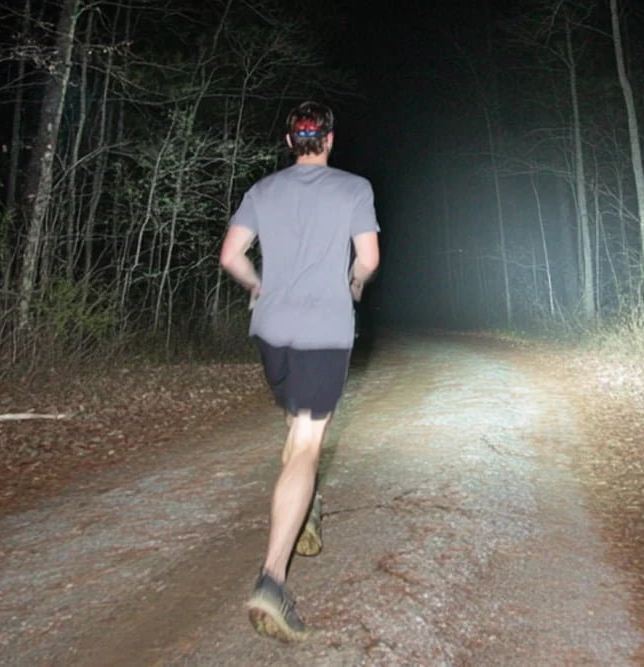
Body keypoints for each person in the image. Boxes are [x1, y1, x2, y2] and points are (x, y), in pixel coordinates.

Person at [219, 101, 380, 642]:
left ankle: (304, 509)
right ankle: (272, 580)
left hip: (272, 334)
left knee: (296, 428)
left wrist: (257, 286)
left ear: (291, 142)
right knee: (309, 444)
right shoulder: (354, 188)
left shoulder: (262, 191)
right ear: (329, 140)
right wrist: (354, 283)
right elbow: (370, 259)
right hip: (323, 331)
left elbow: (231, 257)